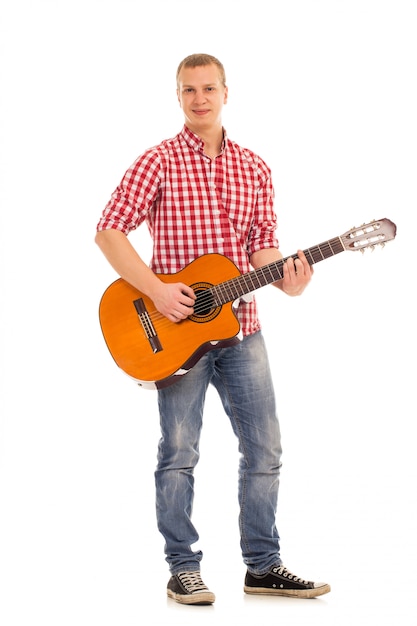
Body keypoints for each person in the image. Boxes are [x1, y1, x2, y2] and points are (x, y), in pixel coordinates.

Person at [95, 53, 330, 605]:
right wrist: (156, 290)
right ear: (178, 97)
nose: (199, 99)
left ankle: (263, 565)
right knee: (179, 451)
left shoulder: (255, 167)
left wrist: (289, 280)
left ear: (227, 92)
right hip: (176, 336)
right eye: (188, 90)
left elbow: (263, 248)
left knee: (266, 449)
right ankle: (183, 568)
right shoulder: (158, 161)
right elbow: (108, 232)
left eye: (208, 89)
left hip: (243, 326)